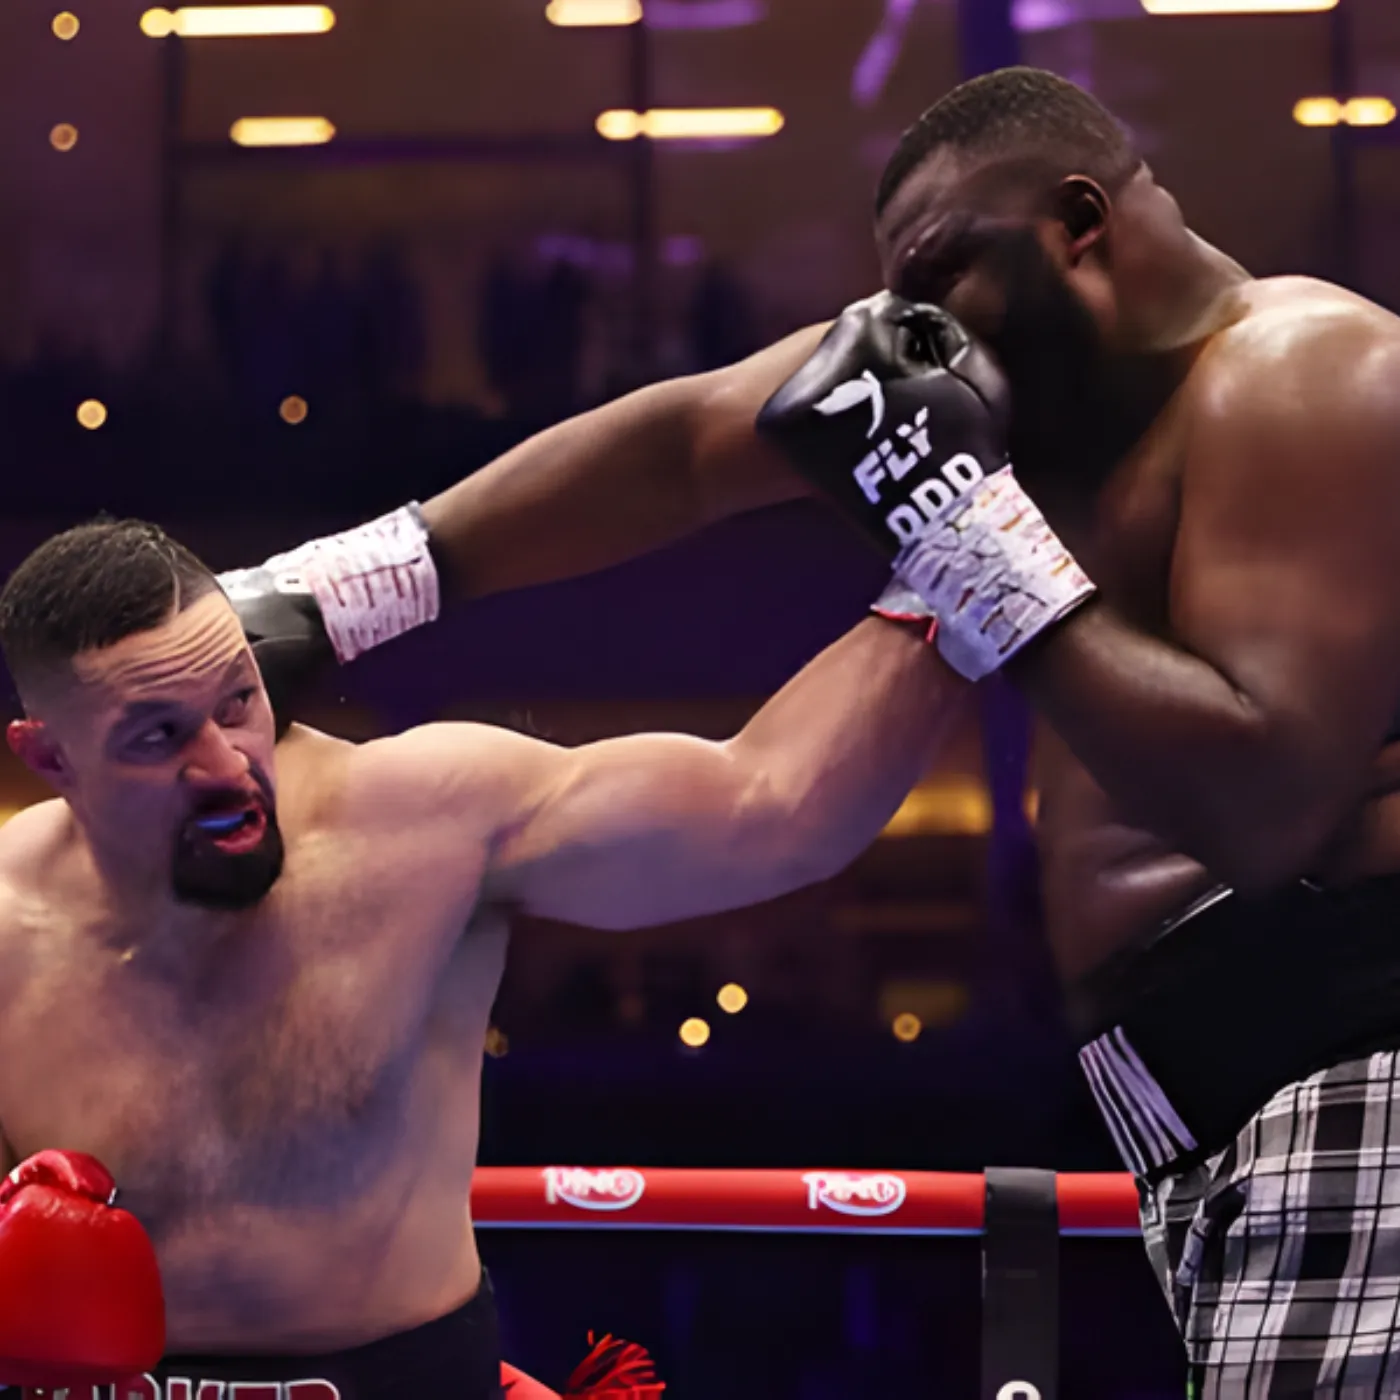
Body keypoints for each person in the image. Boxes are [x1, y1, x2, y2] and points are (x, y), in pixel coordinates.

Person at [223, 65, 1400, 1399]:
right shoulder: (1024, 397)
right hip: (1221, 1123)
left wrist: (962, 533)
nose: (917, 331)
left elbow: (1260, 805)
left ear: (1077, 224)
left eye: (942, 275)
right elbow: (682, 447)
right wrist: (320, 595)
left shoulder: (1301, 369)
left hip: (1355, 1077)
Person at [0, 517, 969, 1398]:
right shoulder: (10, 928)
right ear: (48, 757)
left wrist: (959, 562)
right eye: (158, 736)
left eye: (239, 700)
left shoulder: (420, 823)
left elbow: (775, 810)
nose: (225, 764)